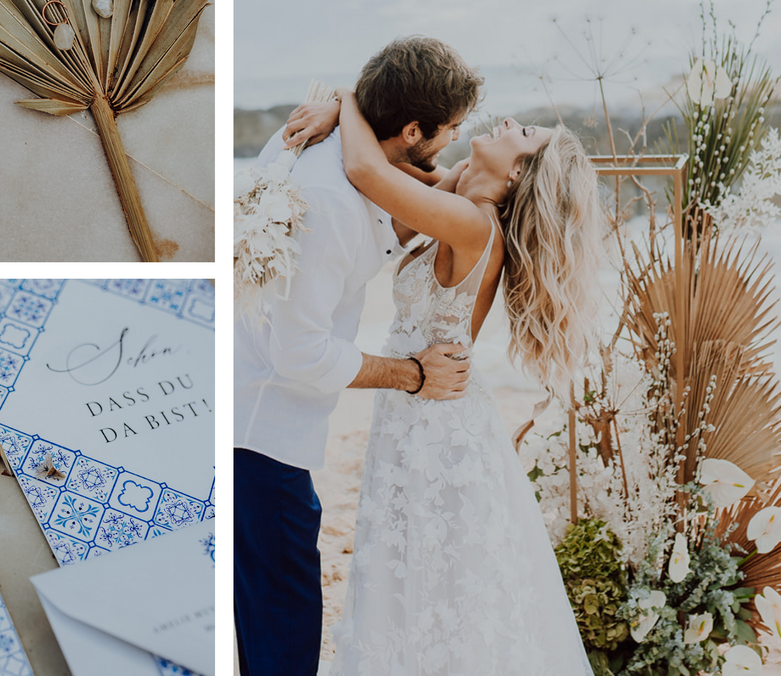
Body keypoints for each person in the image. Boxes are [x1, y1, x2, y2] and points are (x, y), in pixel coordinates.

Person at [282, 82, 603, 676]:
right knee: (422, 574)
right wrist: (343, 112)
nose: (509, 121)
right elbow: (384, 163)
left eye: (524, 134)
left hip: (435, 422)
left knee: (439, 577)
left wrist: (350, 97)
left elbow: (362, 169)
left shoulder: (472, 224)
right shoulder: (457, 194)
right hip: (419, 408)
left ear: (516, 178)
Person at [234, 36, 483, 676]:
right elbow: (302, 354)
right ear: (409, 129)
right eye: (449, 131)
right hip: (263, 433)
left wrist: (345, 100)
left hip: (248, 411)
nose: (452, 144)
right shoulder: (333, 207)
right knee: (284, 624)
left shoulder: (306, 144)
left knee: (256, 612)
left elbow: (409, 191)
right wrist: (413, 374)